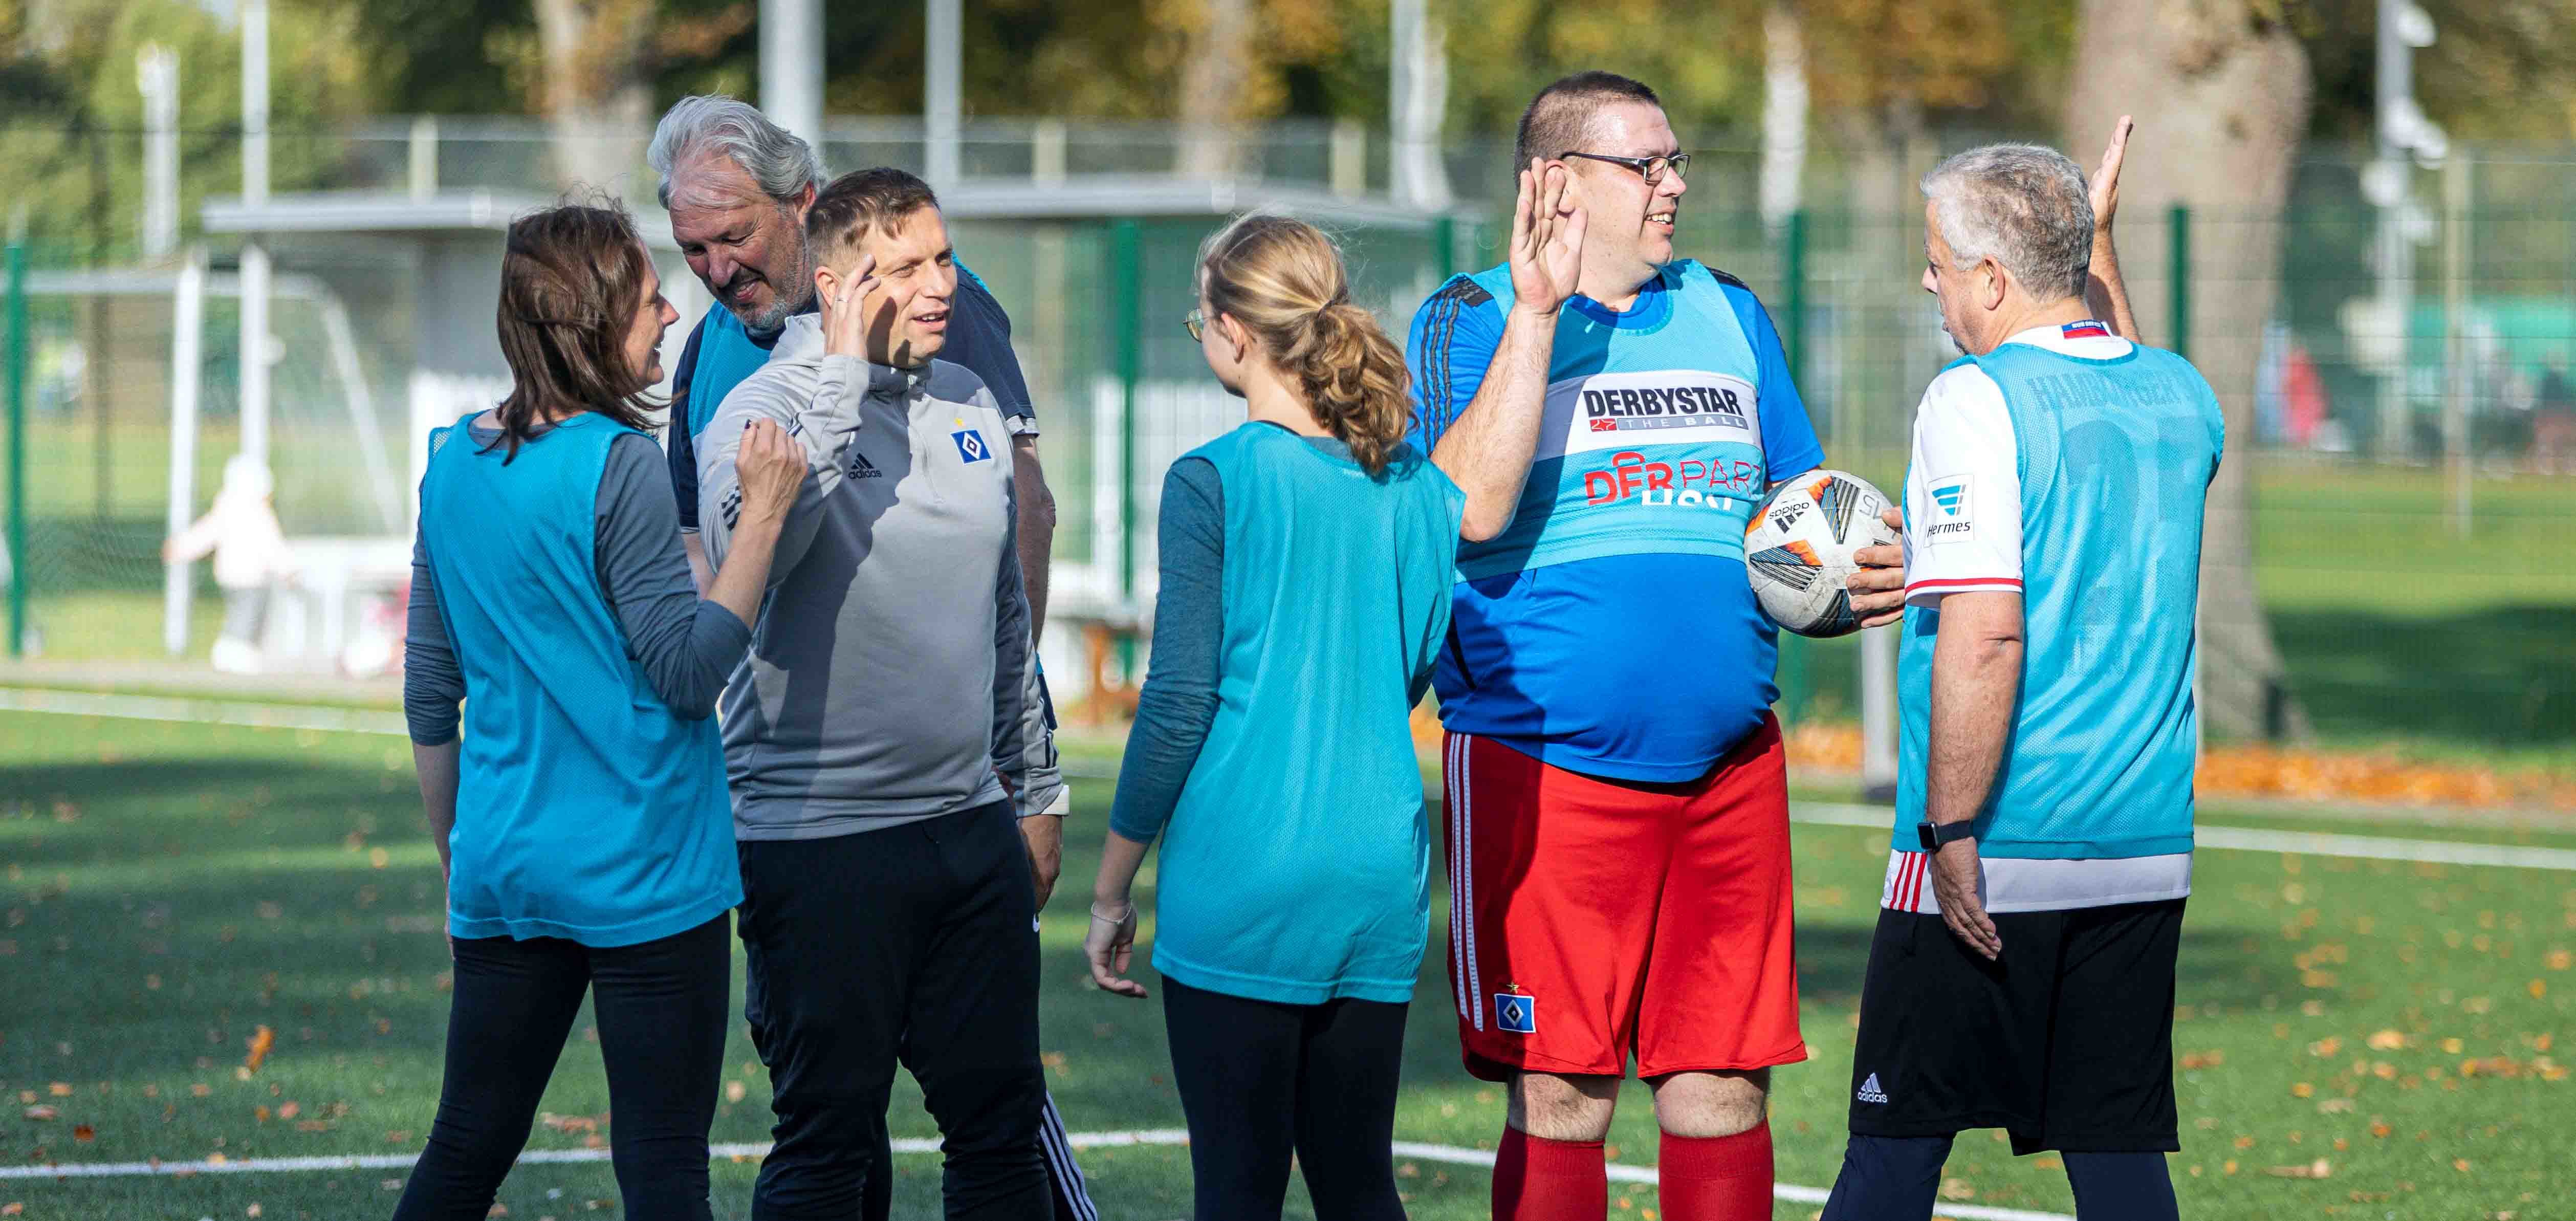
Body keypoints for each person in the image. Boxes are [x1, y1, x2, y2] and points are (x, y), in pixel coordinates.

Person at [1402, 71, 1907, 1221]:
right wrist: (1538, 316)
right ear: (1559, 182)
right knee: (1562, 1092)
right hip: (1544, 770)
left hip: (1731, 768)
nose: (1675, 184)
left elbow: (1801, 511)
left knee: (1723, 1087)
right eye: (1649, 165)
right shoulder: (1468, 316)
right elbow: (1464, 514)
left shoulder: (1730, 309)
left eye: (1676, 161)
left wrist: (1871, 562)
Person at [643, 95, 1095, 1220]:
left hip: (964, 832)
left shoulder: (971, 398)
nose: (941, 284)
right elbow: (770, 553)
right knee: (830, 1139)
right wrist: (843, 375)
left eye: (941, 255)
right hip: (816, 839)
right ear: (840, 282)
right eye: (907, 266)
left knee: (999, 1133)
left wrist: (1032, 787)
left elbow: (1002, 610)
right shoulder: (755, 402)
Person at [1819, 128, 2211, 1221]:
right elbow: (2120, 369)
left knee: (1893, 1147)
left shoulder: (1972, 398)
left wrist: (1949, 831)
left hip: (1998, 845)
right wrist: (2102, 244)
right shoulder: (2183, 396)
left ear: (1993, 277)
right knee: (2118, 1154)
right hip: (2141, 848)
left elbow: (1986, 635)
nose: (1929, 278)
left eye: (1939, 258)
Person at [394, 200, 807, 1221]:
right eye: (647, 295)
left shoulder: (453, 458)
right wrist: (763, 517)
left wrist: (462, 861)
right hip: (645, 874)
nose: (671, 313)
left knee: (463, 1149)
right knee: (664, 1171)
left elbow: (427, 689)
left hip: (505, 872)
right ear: (590, 318)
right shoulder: (617, 464)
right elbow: (684, 668)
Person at [1082, 215, 1465, 1221]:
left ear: (1235, 333)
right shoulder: (1423, 488)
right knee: (1358, 1181)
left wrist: (1112, 887)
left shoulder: (1213, 478)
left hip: (1244, 879)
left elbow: (1174, 705)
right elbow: (1410, 668)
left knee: (1238, 1190)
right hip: (1377, 877)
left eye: (1198, 314)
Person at [163, 454, 297, 674]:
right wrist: (287, 569)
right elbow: (272, 546)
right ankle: (238, 653)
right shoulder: (260, 515)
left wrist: (179, 548)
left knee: (237, 614)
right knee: (249, 615)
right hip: (252, 578)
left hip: (227, 576)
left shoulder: (225, 509)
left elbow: (204, 534)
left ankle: (230, 650)